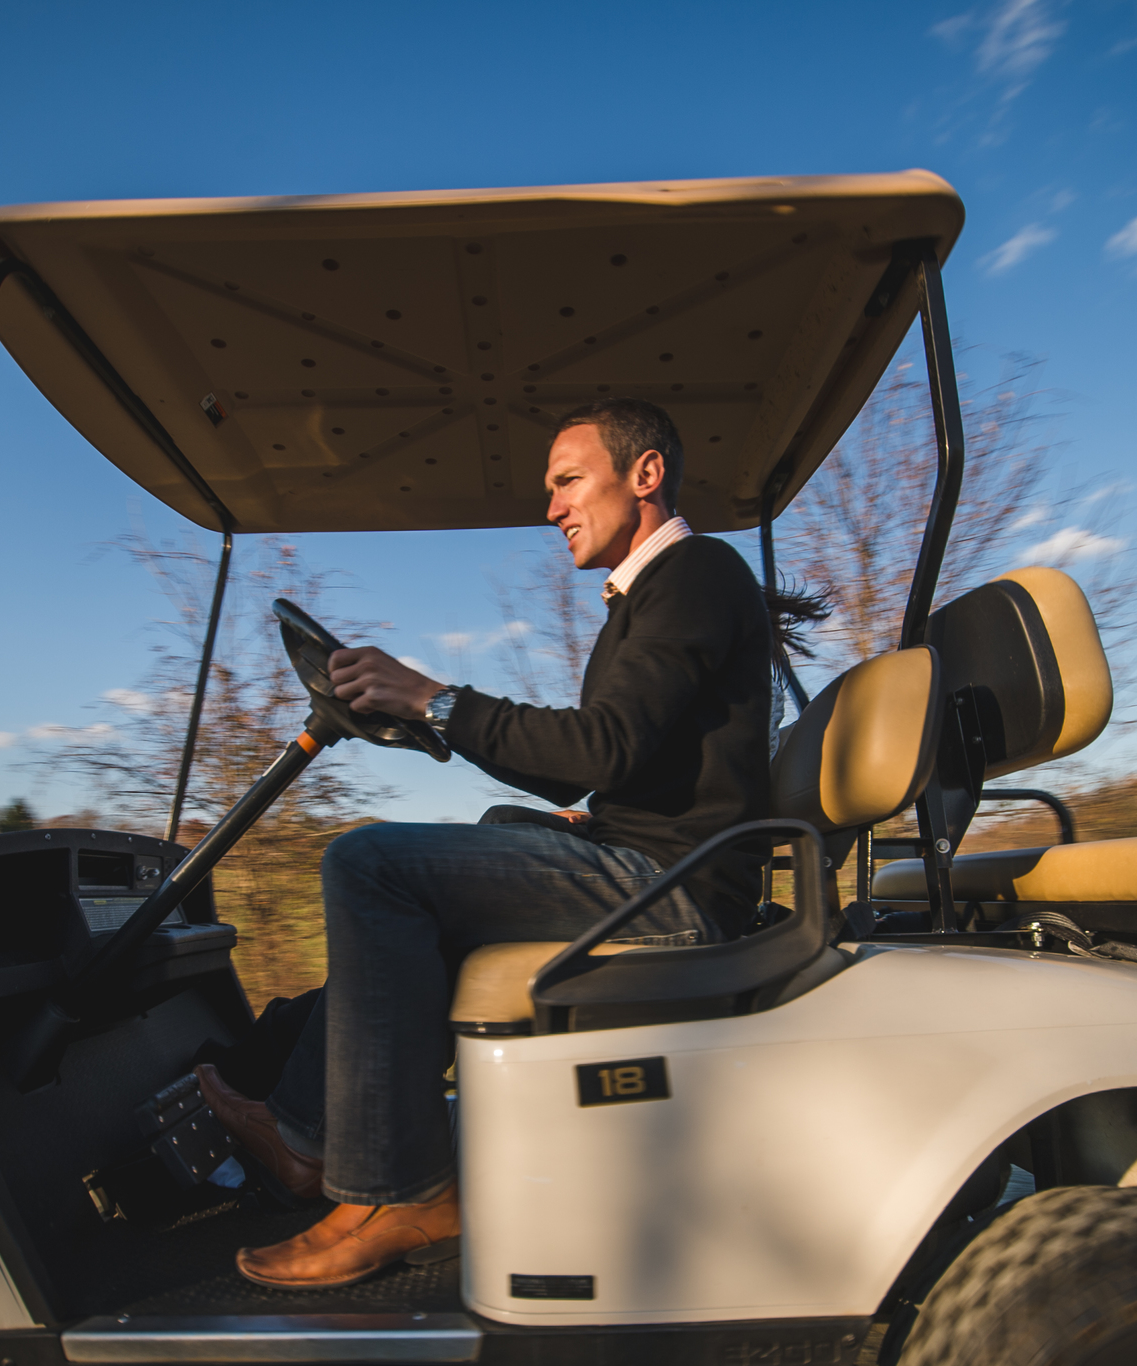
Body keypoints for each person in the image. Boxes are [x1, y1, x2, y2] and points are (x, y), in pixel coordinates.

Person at [197, 398, 776, 1287]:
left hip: (680, 891)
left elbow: (601, 748)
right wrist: (573, 811)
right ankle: (305, 1123)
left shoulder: (696, 574)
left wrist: (433, 699)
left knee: (369, 862)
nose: (552, 507)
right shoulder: (649, 596)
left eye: (569, 481)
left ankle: (396, 1188)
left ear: (646, 475)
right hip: (659, 863)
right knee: (475, 847)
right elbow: (602, 773)